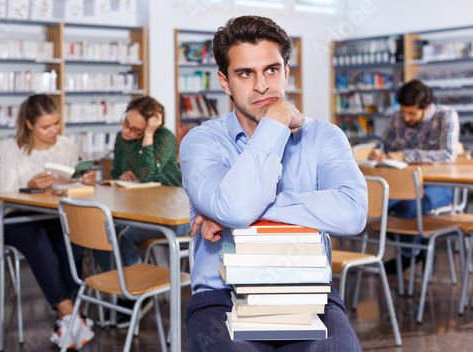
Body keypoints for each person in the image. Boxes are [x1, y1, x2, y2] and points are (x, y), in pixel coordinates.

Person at [179, 15, 368, 351]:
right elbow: (236, 206)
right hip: (222, 295)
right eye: (245, 73)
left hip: (307, 290)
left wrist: (236, 210)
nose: (263, 85)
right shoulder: (200, 141)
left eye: (271, 70)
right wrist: (276, 123)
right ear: (224, 81)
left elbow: (353, 215)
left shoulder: (324, 136)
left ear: (287, 72)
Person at [0, 94, 96, 349]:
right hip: (17, 218)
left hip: (54, 213)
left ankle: (67, 316)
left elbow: (72, 178)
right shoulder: (13, 150)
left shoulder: (66, 145)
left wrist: (81, 180)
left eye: (56, 123)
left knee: (74, 236)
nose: (53, 131)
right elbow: (3, 196)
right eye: (46, 126)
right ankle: (68, 310)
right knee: (37, 239)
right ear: (29, 124)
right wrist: (28, 185)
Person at [368, 79, 460, 272]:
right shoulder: (398, 118)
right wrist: (378, 151)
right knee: (372, 206)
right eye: (403, 112)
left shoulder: (446, 117)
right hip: (404, 184)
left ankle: (410, 254)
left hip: (439, 186)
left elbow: (447, 154)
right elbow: (384, 145)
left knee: (408, 207)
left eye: (412, 113)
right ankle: (417, 250)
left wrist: (405, 155)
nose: (406, 118)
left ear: (426, 108)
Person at [99, 96, 189, 271]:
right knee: (103, 230)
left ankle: (137, 292)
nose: (126, 132)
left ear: (151, 127)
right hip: (136, 210)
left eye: (136, 130)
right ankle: (117, 285)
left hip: (169, 214)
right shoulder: (121, 139)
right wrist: (122, 176)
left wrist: (147, 136)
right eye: (126, 123)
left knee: (124, 236)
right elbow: (115, 172)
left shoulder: (164, 138)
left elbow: (148, 176)